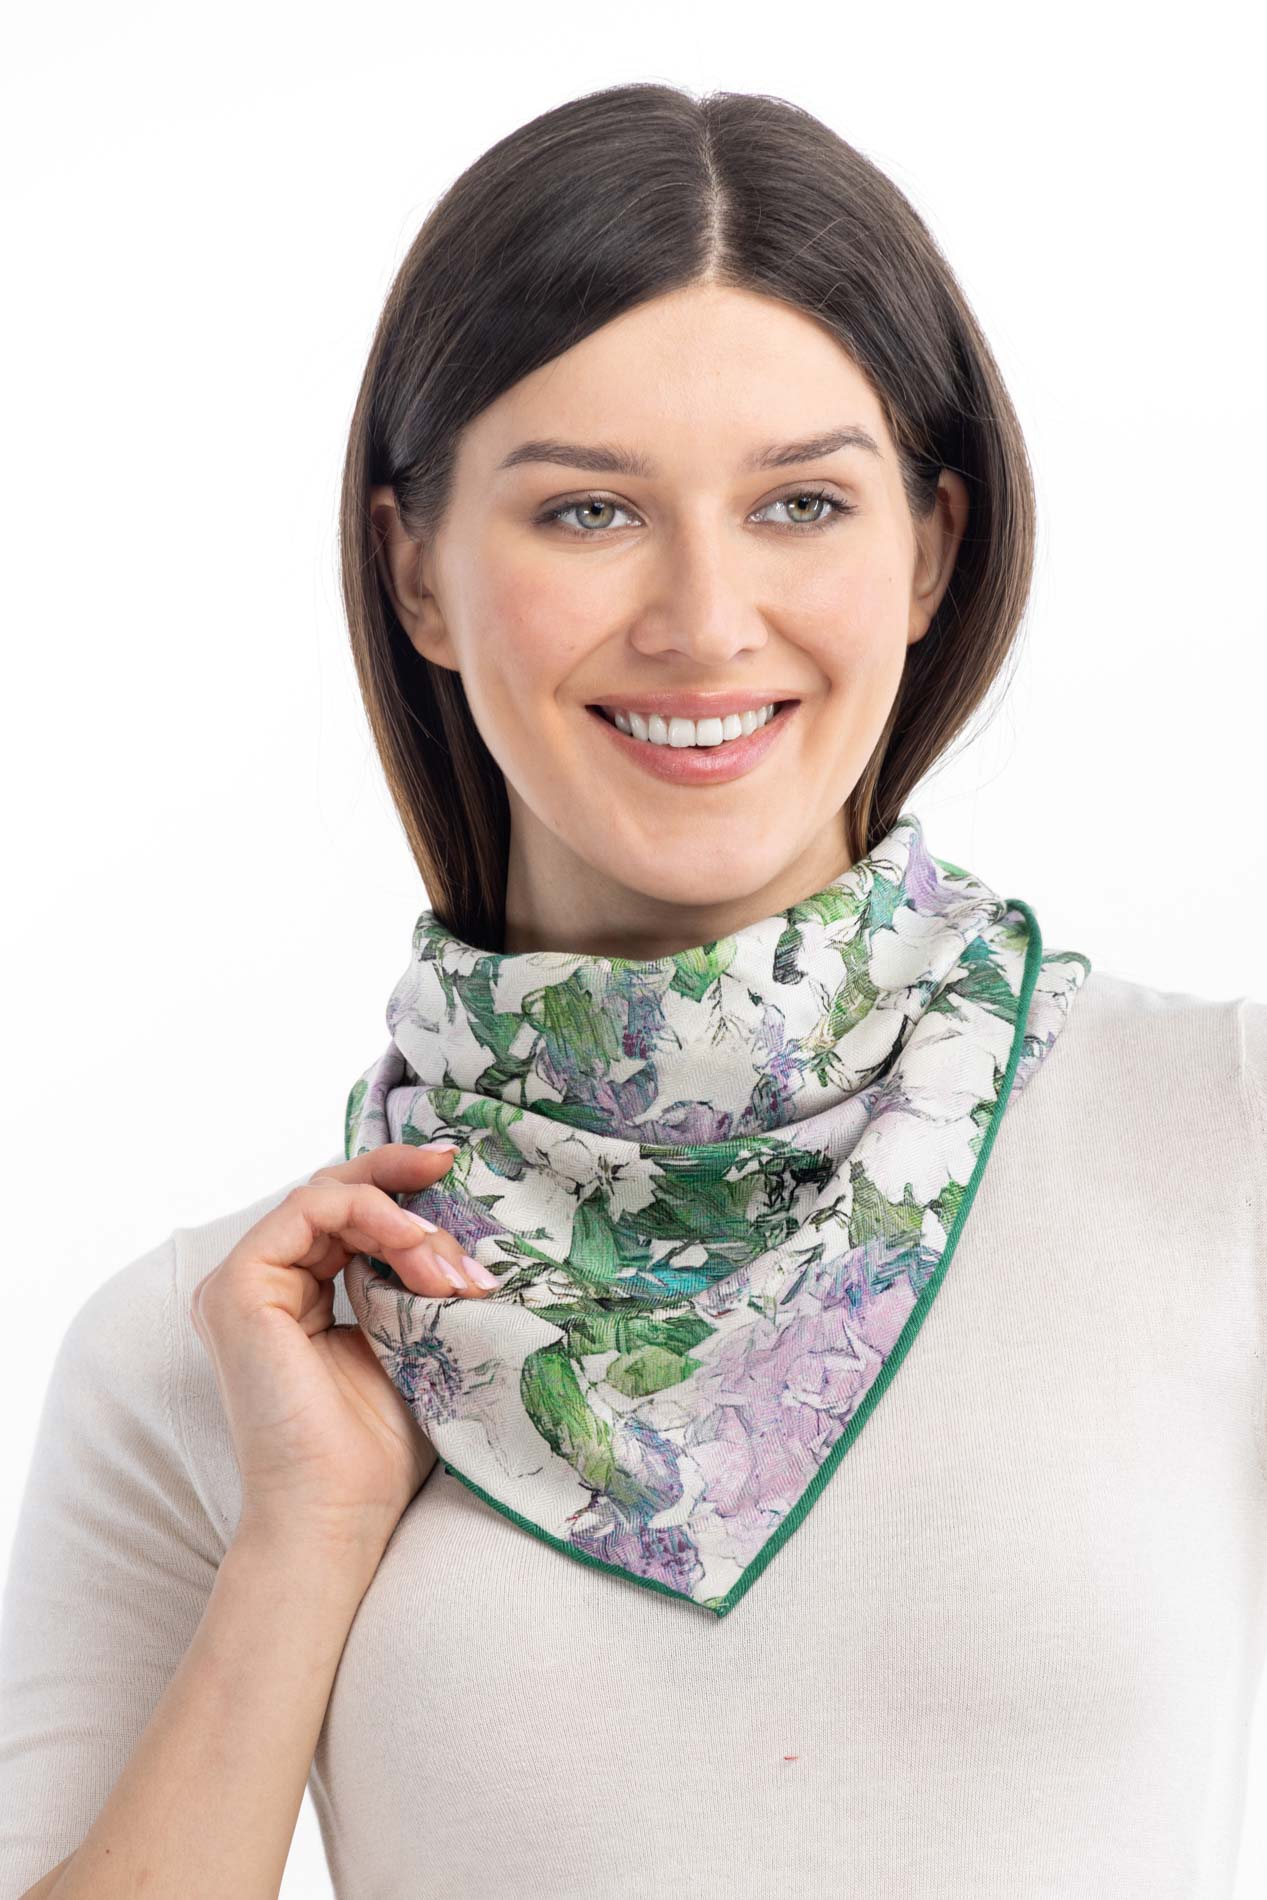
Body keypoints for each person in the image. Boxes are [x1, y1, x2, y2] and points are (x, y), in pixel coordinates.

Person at [2, 79, 1264, 1900]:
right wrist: (308, 1536)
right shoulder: (219, 1354)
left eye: (802, 503)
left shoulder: (1221, 1143)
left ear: (929, 548)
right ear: (416, 575)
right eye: (589, 511)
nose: (702, 621)